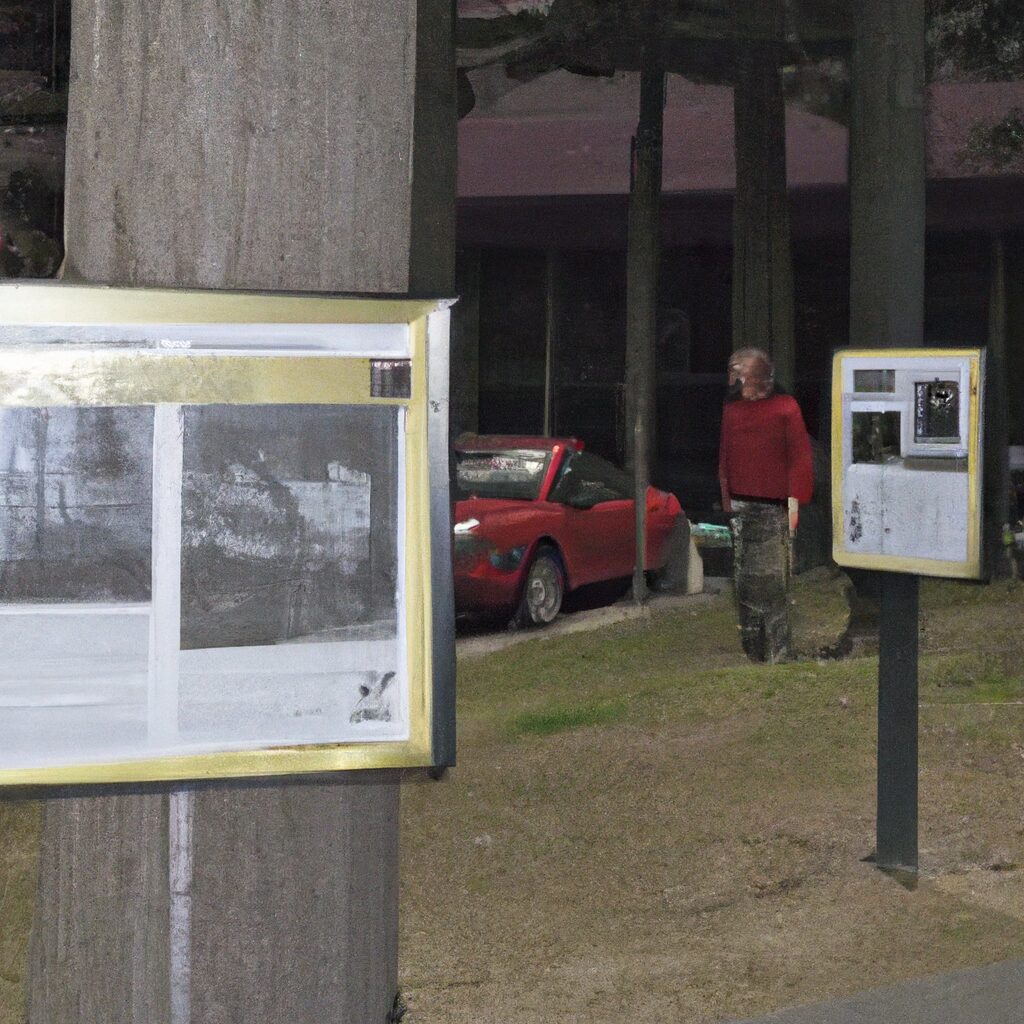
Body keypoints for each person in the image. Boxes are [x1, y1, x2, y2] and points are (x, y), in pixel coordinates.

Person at [718, 347, 813, 662]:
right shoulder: (733, 411)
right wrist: (728, 500)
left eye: (740, 374)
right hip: (744, 506)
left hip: (774, 507)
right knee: (745, 583)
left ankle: (778, 651)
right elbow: (726, 458)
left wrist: (794, 503)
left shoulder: (785, 408)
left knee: (773, 583)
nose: (735, 382)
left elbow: (798, 458)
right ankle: (755, 649)